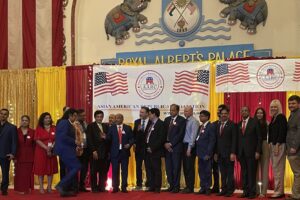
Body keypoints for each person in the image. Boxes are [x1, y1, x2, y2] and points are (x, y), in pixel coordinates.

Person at [54, 108, 81, 197]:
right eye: (75, 116)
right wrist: (75, 141)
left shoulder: (68, 123)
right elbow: (62, 137)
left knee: (71, 169)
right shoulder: (64, 122)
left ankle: (64, 189)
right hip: (64, 149)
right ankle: (61, 184)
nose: (76, 118)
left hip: (68, 149)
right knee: (77, 166)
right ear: (70, 115)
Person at [237, 107, 262, 199]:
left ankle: (252, 192)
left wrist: (258, 151)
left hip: (252, 152)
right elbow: (238, 139)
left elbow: (259, 138)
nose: (244, 112)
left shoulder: (255, 122)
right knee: (244, 173)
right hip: (241, 153)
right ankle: (245, 191)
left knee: (251, 173)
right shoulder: (239, 124)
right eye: (242, 111)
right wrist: (237, 153)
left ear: (249, 112)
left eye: (245, 110)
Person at [107, 114, 134, 193]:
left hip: (124, 152)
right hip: (114, 153)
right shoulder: (111, 128)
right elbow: (108, 139)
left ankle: (124, 187)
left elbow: (132, 138)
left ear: (122, 119)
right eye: (116, 118)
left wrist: (129, 144)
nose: (116, 119)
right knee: (115, 170)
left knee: (124, 170)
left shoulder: (128, 128)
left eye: (118, 118)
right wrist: (105, 137)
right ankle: (115, 187)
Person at [33, 112, 58, 194]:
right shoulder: (39, 128)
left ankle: (49, 187)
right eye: (46, 118)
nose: (48, 119)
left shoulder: (54, 128)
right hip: (40, 151)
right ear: (42, 120)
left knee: (50, 169)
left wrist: (51, 148)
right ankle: (41, 187)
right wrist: (46, 148)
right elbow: (37, 140)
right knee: (41, 169)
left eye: (49, 118)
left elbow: (57, 139)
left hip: (52, 151)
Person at [163, 104, 186, 193]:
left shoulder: (182, 120)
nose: (171, 111)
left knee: (176, 168)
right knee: (168, 168)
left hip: (176, 148)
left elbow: (180, 134)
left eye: (173, 110)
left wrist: (171, 144)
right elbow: (164, 133)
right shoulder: (167, 119)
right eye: (170, 110)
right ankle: (171, 185)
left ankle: (176, 187)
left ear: (177, 111)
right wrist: (165, 143)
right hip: (166, 148)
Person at [215, 106, 237, 197]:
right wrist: (216, 153)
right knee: (222, 173)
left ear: (228, 114)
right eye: (222, 113)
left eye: (225, 114)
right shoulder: (218, 125)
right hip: (220, 153)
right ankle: (223, 189)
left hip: (229, 153)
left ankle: (229, 190)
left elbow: (234, 140)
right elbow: (217, 140)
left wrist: (233, 152)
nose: (223, 115)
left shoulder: (232, 125)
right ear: (220, 114)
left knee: (229, 173)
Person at [87, 110, 110, 193]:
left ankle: (102, 187)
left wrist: (106, 137)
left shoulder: (106, 126)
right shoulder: (91, 126)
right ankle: (94, 188)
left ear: (103, 117)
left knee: (103, 171)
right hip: (95, 152)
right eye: (98, 117)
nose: (99, 118)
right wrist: (93, 150)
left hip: (104, 153)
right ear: (95, 117)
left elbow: (109, 139)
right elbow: (89, 139)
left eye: (101, 117)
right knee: (93, 171)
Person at [268, 99, 287, 199]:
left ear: (279, 107)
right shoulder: (274, 118)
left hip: (278, 145)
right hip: (273, 145)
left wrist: (277, 145)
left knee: (278, 170)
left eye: (275, 106)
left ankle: (278, 192)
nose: (273, 108)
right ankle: (280, 191)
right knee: (276, 169)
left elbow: (282, 132)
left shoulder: (281, 117)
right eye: (271, 107)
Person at [195, 110, 216, 195]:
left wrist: (208, 153)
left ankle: (207, 188)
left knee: (207, 171)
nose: (200, 117)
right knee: (201, 171)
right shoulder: (201, 126)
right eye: (200, 116)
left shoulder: (211, 126)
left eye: (202, 116)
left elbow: (212, 141)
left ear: (207, 117)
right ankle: (202, 187)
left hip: (206, 153)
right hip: (200, 152)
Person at [145, 108, 165, 193]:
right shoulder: (150, 123)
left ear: (154, 114)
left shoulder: (161, 124)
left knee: (156, 169)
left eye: (149, 114)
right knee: (149, 169)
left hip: (156, 151)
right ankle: (151, 186)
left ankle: (157, 187)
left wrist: (152, 148)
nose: (148, 116)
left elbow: (161, 139)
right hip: (147, 149)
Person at [14, 115, 35, 194]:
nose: (24, 122)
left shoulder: (33, 131)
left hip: (30, 155)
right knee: (19, 173)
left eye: (26, 120)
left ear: (29, 122)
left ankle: (27, 188)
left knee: (28, 173)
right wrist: (14, 156)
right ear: (20, 121)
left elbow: (34, 145)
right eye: (23, 120)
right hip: (18, 155)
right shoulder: (16, 131)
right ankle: (20, 189)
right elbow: (13, 144)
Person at [182, 106, 199, 193]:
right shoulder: (185, 121)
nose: (185, 113)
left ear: (191, 112)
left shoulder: (194, 121)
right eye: (184, 111)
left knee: (189, 167)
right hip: (183, 146)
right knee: (185, 167)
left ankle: (190, 187)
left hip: (190, 146)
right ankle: (187, 185)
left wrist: (189, 148)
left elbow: (193, 136)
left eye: (187, 111)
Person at [133, 107, 151, 190]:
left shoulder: (151, 122)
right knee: (138, 167)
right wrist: (138, 130)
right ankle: (139, 184)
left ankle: (148, 184)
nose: (140, 114)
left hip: (148, 149)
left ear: (147, 113)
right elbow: (134, 135)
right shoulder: (137, 122)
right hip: (139, 149)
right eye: (140, 112)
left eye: (142, 112)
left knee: (148, 167)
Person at [0, 108, 18, 196]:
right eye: (1, 114)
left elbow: (14, 142)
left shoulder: (12, 127)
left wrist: (13, 153)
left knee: (5, 173)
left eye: (5, 114)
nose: (3, 115)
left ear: (7, 116)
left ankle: (4, 190)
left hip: (5, 154)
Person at [286, 95, 300, 200]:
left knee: (297, 173)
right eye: (289, 103)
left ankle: (296, 195)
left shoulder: (298, 114)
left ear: (298, 104)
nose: (291, 105)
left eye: (293, 103)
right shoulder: (292, 114)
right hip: (292, 149)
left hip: (295, 149)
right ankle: (296, 194)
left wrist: (294, 147)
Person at [211, 104, 227, 194]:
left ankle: (225, 187)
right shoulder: (214, 124)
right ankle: (216, 186)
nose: (218, 112)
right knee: (215, 170)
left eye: (220, 110)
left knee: (224, 171)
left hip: (224, 151)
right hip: (215, 151)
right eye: (218, 110)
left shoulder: (228, 124)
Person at [254, 107, 269, 198]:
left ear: (264, 114)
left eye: (261, 113)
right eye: (258, 113)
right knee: (255, 170)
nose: (259, 114)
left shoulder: (267, 123)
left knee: (264, 169)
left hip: (264, 145)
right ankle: (255, 190)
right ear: (255, 114)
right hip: (254, 146)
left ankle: (263, 191)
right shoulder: (252, 123)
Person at [76, 109, 89, 192]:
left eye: (85, 115)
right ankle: (75, 186)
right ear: (78, 116)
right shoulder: (75, 124)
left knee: (84, 168)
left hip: (86, 148)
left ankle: (82, 185)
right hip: (77, 149)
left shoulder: (85, 123)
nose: (84, 117)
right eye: (82, 115)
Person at [57, 106, 70, 181]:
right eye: (67, 111)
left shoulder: (73, 121)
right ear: (64, 112)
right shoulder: (60, 121)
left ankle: (70, 185)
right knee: (62, 167)